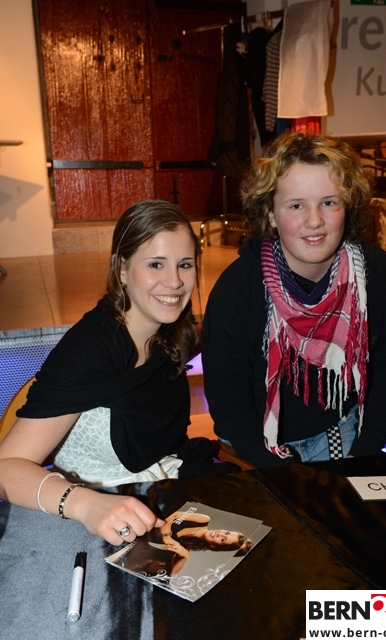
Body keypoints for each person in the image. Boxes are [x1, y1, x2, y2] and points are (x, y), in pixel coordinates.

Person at [0, 200, 234, 546]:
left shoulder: (173, 331)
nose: (174, 282)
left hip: (163, 489)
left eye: (184, 265)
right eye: (155, 264)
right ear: (122, 269)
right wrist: (84, 504)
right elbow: (6, 466)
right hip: (91, 514)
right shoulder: (90, 349)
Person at [202, 132, 386, 468]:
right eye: (296, 205)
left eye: (329, 202)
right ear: (270, 214)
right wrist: (286, 475)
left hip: (343, 431)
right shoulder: (237, 290)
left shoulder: (377, 272)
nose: (315, 221)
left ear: (348, 205)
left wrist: (365, 448)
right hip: (255, 444)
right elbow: (230, 406)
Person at [120, 509, 253, 577]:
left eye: (223, 540)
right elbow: (174, 514)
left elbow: (171, 574)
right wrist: (167, 537)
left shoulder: (185, 548)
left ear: (214, 546)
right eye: (227, 532)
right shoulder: (204, 520)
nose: (220, 534)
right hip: (141, 515)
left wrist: (185, 557)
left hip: (130, 532)